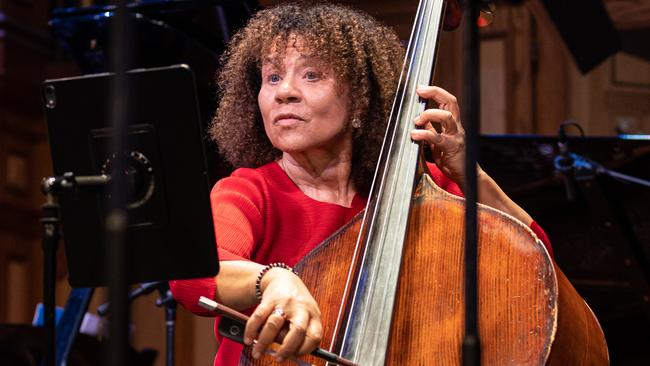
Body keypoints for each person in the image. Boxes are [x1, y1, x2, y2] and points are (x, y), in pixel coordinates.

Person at [170, 3, 553, 365]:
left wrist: (467, 173)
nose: (284, 91)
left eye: (311, 74)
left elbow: (531, 256)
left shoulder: (419, 194)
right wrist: (274, 278)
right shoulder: (249, 191)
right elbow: (194, 277)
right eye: (272, 76)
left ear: (358, 101)